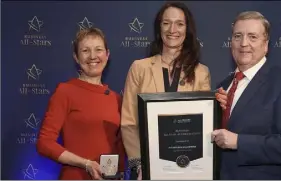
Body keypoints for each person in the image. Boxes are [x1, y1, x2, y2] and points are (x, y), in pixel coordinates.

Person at [213, 11, 281, 179]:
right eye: (238, 36)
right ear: (231, 43)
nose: (244, 43)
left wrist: (239, 142)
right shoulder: (223, 86)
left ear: (265, 45)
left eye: (252, 37)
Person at [120, 1, 211, 179]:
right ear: (159, 27)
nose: (172, 30)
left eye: (179, 23)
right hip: (147, 166)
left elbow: (203, 126)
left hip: (189, 165)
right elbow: (129, 122)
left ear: (187, 29)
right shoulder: (140, 68)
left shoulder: (201, 72)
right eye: (166, 23)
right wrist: (139, 163)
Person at [36, 27, 126, 180]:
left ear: (107, 54)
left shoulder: (116, 98)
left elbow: (119, 146)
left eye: (98, 49)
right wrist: (86, 164)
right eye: (85, 51)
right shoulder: (65, 92)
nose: (93, 56)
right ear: (76, 57)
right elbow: (44, 143)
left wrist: (120, 173)